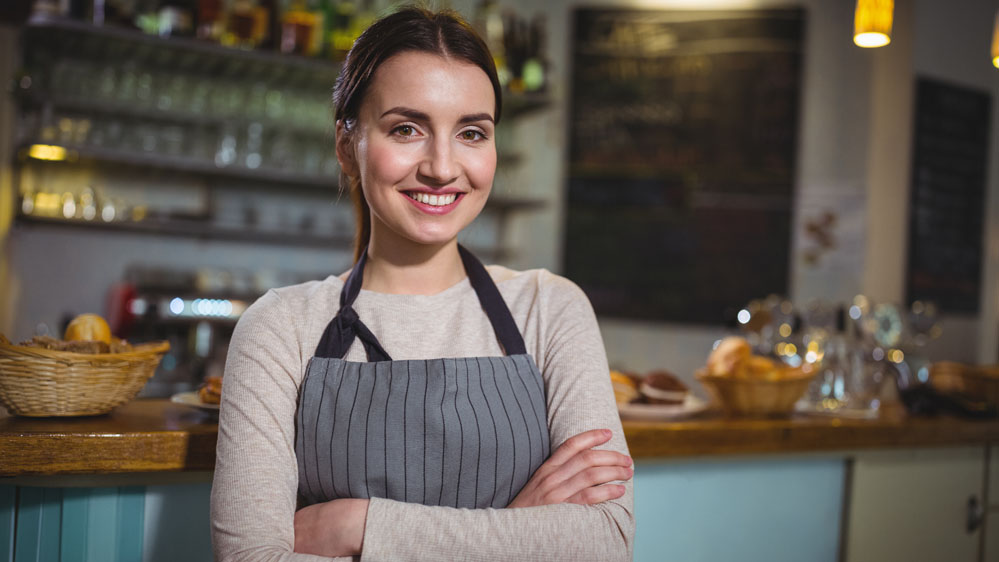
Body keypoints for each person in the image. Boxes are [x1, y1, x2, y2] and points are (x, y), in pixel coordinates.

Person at [210, 7, 634, 561]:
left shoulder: (550, 308)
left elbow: (605, 544)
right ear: (347, 145)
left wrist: (358, 526)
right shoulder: (279, 328)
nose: (441, 166)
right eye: (406, 129)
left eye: (471, 133)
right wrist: (518, 530)